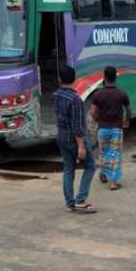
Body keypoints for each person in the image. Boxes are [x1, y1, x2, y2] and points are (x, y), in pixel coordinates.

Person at [52, 65, 97, 213]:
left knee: (68, 168)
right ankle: (80, 200)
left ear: (60, 79)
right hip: (74, 138)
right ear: (74, 79)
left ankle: (69, 203)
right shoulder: (75, 99)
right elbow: (77, 126)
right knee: (90, 166)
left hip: (62, 137)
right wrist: (81, 146)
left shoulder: (55, 95)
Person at [90, 66, 132, 191]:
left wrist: (98, 119)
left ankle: (103, 174)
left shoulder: (98, 94)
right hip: (116, 129)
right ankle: (113, 182)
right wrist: (127, 120)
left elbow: (92, 112)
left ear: (104, 77)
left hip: (102, 129)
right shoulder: (121, 93)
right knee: (114, 154)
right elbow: (129, 110)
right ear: (115, 77)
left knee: (103, 152)